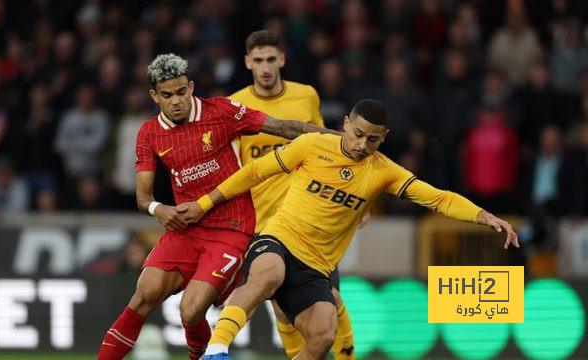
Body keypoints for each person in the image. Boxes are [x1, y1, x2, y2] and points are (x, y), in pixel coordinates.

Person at [179, 99, 520, 360]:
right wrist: (205, 204)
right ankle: (217, 347)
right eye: (357, 134)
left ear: (383, 138)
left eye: (372, 140)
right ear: (344, 124)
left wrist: (484, 215)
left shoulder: (383, 171)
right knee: (266, 276)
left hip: (316, 267)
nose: (361, 145)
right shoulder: (312, 145)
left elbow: (438, 198)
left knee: (323, 334)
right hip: (278, 240)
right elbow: (254, 173)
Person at [97, 53, 336, 360]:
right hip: (185, 228)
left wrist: (341, 140)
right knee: (143, 296)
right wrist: (161, 209)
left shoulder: (221, 112)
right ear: (154, 96)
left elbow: (284, 128)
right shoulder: (149, 133)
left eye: (182, 92)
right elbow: (143, 198)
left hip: (230, 227)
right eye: (167, 95)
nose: (176, 101)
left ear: (191, 86)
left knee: (191, 310)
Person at [228, 29, 356, 359]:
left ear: (282, 59)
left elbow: (328, 149)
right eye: (258, 60)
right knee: (284, 312)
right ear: (248, 63)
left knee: (332, 299)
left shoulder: (306, 97)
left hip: (312, 218)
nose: (266, 67)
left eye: (271, 59)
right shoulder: (235, 106)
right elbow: (233, 166)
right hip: (265, 223)